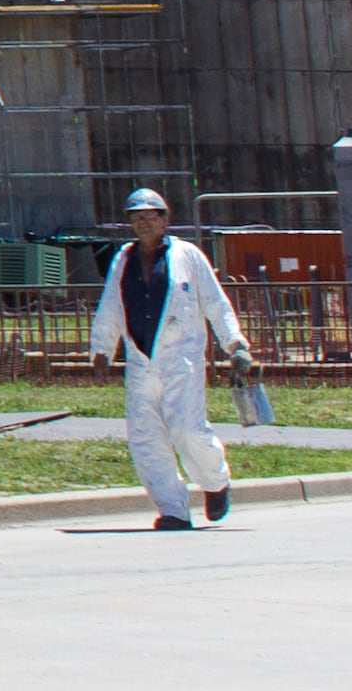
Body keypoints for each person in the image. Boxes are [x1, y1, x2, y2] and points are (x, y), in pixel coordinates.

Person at [91, 185, 256, 531]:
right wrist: (101, 350)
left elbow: (215, 301)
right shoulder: (123, 259)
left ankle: (215, 482)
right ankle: (173, 510)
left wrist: (235, 344)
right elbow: (110, 307)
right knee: (146, 438)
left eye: (150, 217)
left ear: (165, 220)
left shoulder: (188, 256)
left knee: (187, 430)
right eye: (137, 218)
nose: (144, 223)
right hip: (141, 363)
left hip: (181, 360)